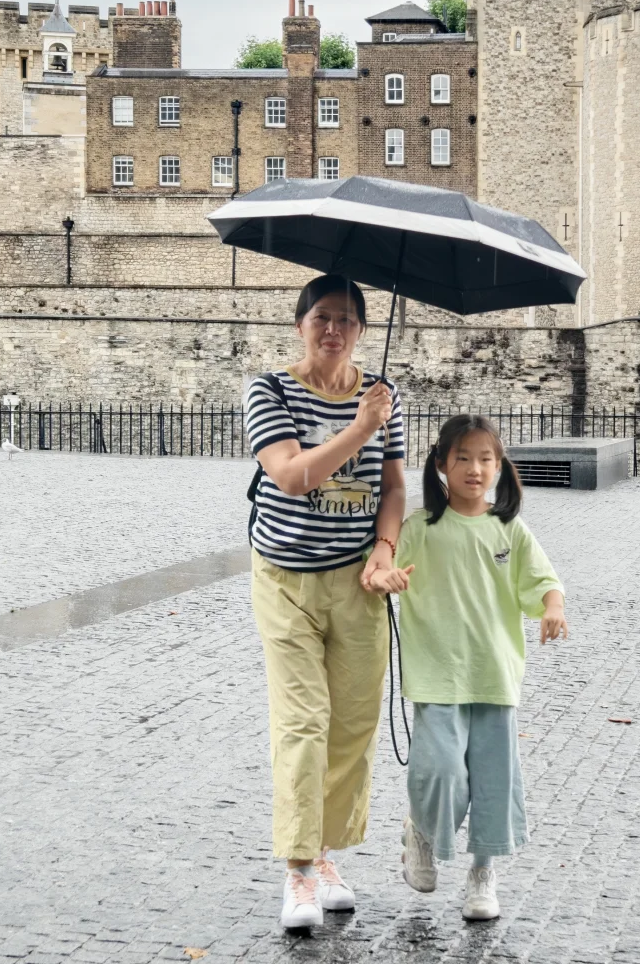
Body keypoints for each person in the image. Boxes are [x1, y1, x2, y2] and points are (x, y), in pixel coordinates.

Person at [244, 273, 407, 930]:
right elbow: (288, 475)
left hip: (356, 581)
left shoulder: (385, 395)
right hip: (285, 579)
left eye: (345, 319)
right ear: (300, 326)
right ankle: (299, 871)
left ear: (362, 329)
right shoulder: (270, 389)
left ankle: (326, 853)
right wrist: (361, 427)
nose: (333, 330)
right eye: (321, 318)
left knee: (353, 725)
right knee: (303, 724)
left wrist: (385, 550)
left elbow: (394, 489)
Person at [366, 414, 567, 921]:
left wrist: (552, 607)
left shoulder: (509, 529)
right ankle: (422, 832)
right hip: (436, 673)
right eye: (462, 458)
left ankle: (482, 871)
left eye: (485, 459)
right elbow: (379, 570)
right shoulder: (417, 530)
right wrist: (383, 577)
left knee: (494, 779)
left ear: (499, 466)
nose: (474, 469)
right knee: (439, 771)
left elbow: (543, 579)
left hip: (495, 675)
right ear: (440, 465)